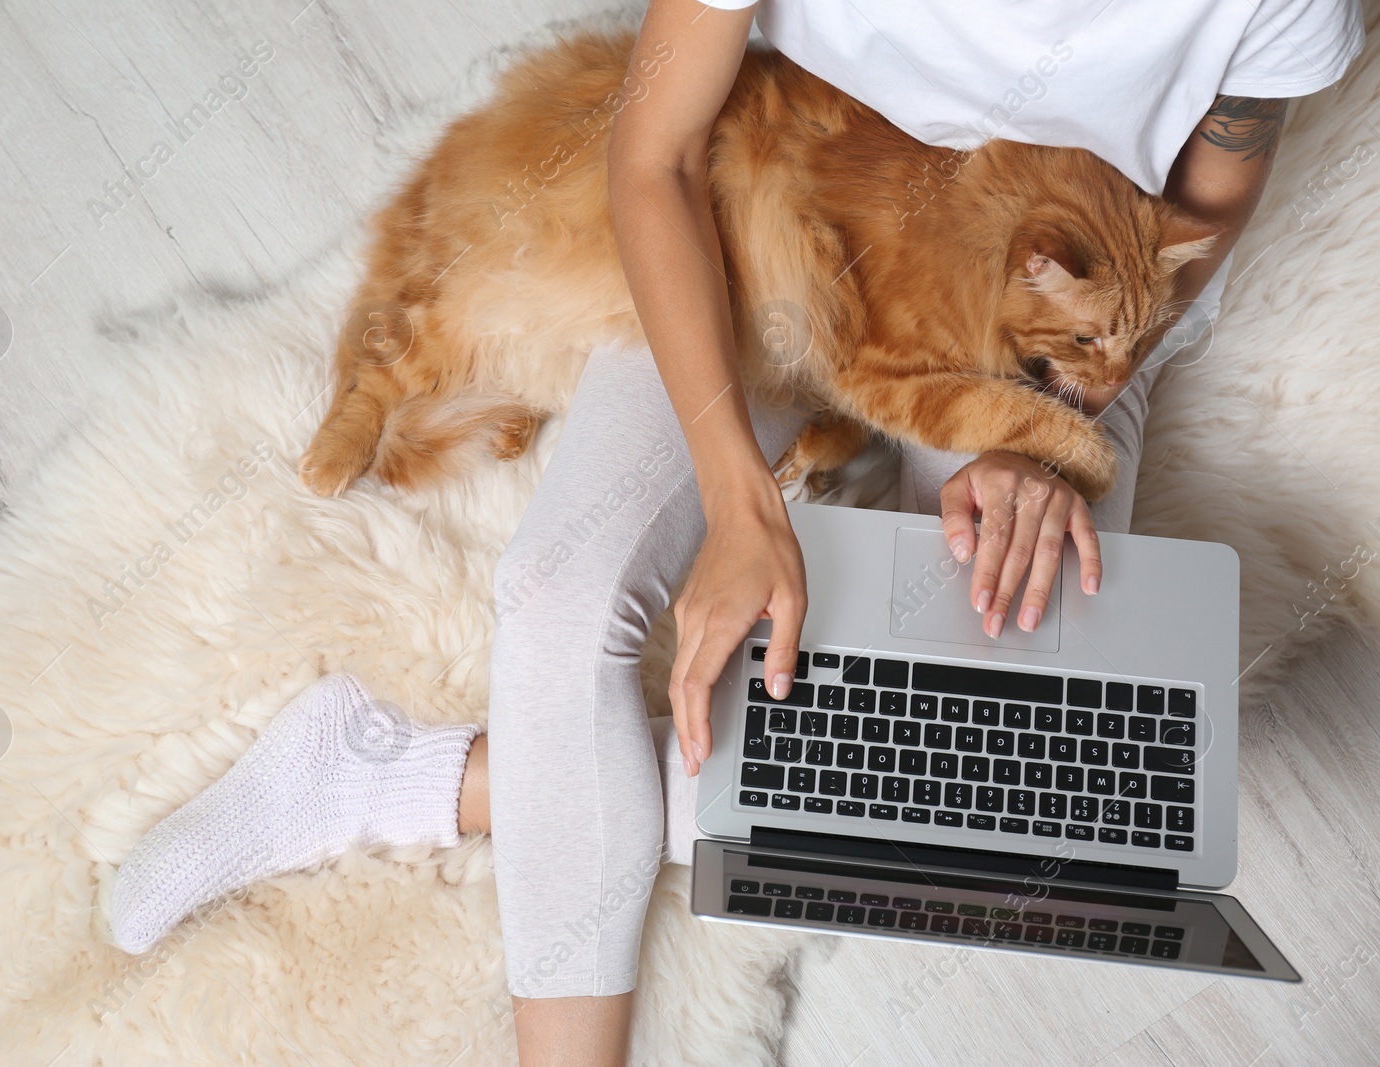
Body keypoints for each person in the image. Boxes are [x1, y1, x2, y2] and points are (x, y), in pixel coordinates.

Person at [109, 1, 1364, 1063]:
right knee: (555, 596)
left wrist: (1041, 427)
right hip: (777, 224)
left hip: (1049, 310)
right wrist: (734, 495)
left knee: (1031, 794)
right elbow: (651, 151)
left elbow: (1207, 198)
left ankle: (398, 774)